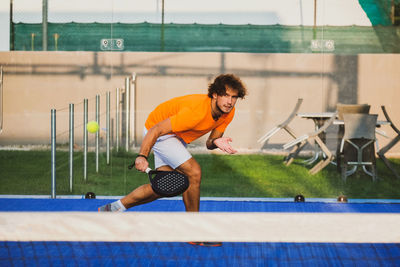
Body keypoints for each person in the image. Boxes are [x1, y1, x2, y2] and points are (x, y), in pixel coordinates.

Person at [99, 74, 247, 214]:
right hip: (160, 132)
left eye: (234, 97)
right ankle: (194, 225)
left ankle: (113, 208)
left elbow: (209, 143)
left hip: (177, 135)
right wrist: (142, 156)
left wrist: (215, 141)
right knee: (194, 173)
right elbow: (155, 130)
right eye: (226, 95)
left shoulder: (228, 112)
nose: (230, 101)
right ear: (215, 94)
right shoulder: (195, 112)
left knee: (164, 186)